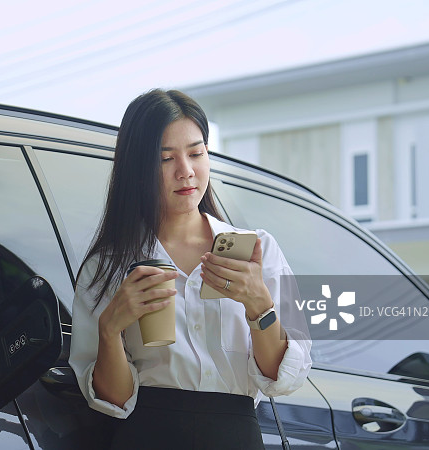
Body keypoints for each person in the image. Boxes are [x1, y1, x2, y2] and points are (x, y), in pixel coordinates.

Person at [68, 89, 312, 449]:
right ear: (138, 169)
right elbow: (114, 403)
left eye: (196, 153)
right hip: (148, 435)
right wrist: (109, 330)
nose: (186, 171)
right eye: (166, 159)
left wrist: (259, 307)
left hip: (237, 435)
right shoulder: (108, 266)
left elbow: (284, 379)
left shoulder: (257, 251)